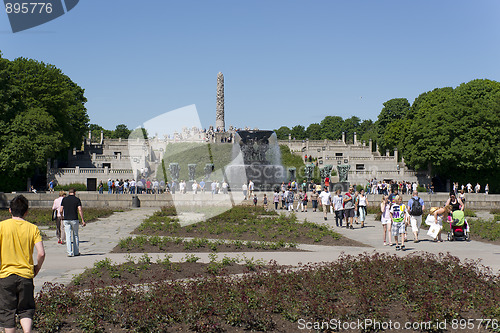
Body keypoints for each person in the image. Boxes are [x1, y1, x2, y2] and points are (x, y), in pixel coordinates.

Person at [0, 195, 45, 333]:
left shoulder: (1, 226)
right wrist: (36, 268)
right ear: (26, 212)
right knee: (26, 309)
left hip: (6, 275)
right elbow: (41, 253)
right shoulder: (33, 228)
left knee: (8, 312)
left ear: (9, 210)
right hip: (26, 275)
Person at [59, 188, 86, 257]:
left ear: (69, 192)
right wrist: (82, 220)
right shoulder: (77, 200)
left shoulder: (64, 199)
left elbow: (61, 210)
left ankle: (69, 252)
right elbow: (80, 210)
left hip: (66, 219)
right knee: (75, 235)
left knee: (68, 236)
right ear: (75, 192)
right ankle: (76, 252)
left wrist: (62, 216)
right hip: (74, 219)